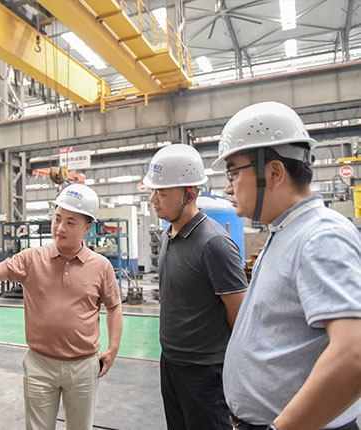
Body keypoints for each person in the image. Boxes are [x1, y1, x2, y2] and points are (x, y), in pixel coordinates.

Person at [213, 101, 361, 430]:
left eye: (234, 173)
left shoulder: (320, 236)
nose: (228, 187)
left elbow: (354, 353)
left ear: (274, 173)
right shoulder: (286, 231)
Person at [0, 184, 123, 430]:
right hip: (40, 365)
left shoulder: (101, 266)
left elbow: (114, 306)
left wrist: (112, 349)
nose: (60, 227)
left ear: (87, 227)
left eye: (70, 222)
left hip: (83, 367)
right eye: (57, 219)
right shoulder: (31, 259)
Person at [143, 144, 248, 430]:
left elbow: (239, 315)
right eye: (153, 191)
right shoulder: (168, 235)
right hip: (171, 362)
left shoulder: (214, 243)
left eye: (162, 193)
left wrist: (238, 377)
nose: (153, 200)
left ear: (189, 193)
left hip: (205, 372)